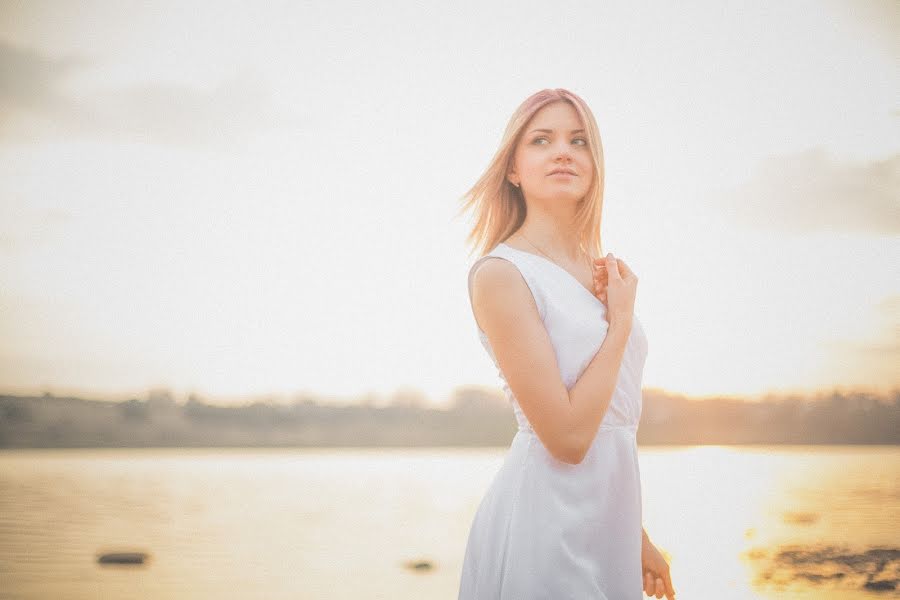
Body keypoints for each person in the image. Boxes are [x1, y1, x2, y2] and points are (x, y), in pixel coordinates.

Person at [456, 88, 676, 600]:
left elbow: (613, 420)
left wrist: (635, 534)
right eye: (542, 140)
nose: (563, 152)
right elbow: (568, 439)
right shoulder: (502, 274)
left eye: (579, 141)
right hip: (546, 525)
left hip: (610, 523)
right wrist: (619, 324)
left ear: (595, 165)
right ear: (513, 168)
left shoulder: (602, 274)